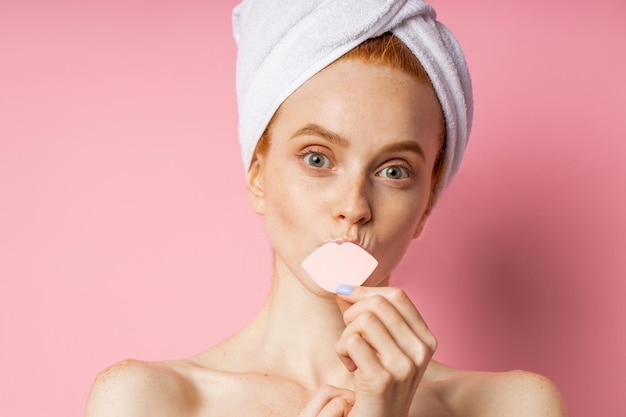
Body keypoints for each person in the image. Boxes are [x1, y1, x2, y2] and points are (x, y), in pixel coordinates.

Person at [85, 1, 568, 416]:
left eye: (394, 171)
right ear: (258, 174)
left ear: (426, 205)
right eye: (317, 159)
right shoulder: (149, 401)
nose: (354, 206)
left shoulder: (514, 406)